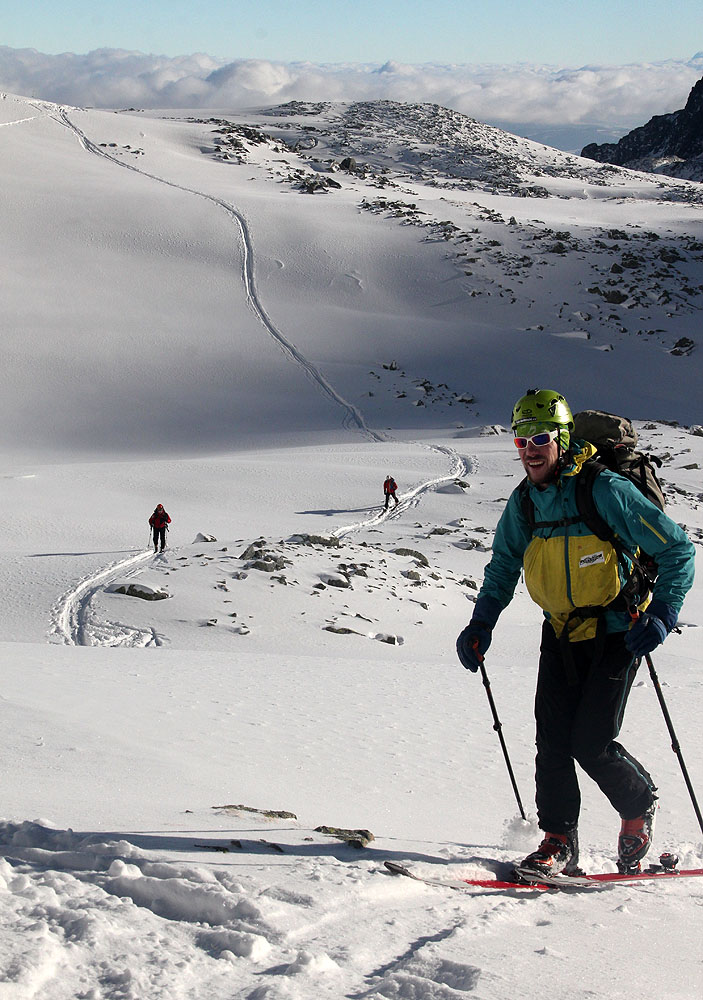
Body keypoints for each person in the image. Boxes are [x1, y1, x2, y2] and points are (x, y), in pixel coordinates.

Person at [456, 389, 695, 878]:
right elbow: (503, 565)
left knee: (591, 742)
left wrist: (663, 614)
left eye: (540, 438)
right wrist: (482, 622)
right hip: (560, 633)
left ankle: (638, 805)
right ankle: (559, 840)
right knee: (552, 741)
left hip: (617, 631)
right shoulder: (524, 503)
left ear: (561, 439)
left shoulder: (603, 489)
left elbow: (678, 551)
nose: (530, 449)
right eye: (522, 440)